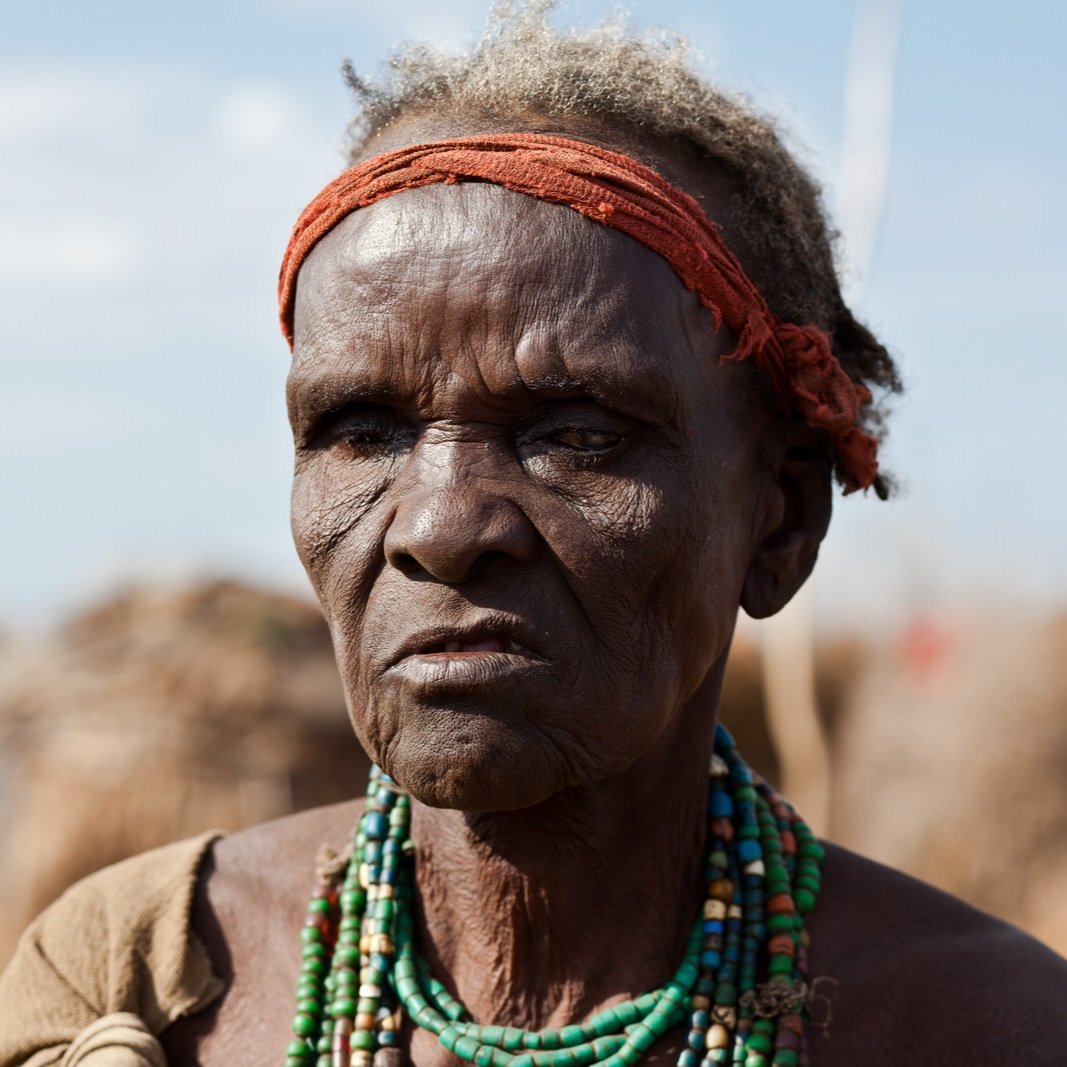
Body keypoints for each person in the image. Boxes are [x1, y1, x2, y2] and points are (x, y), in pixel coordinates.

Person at [2, 8, 1065, 1066]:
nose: (438, 526)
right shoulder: (144, 980)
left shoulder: (990, 1026)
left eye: (576, 434)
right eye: (361, 432)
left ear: (778, 517)